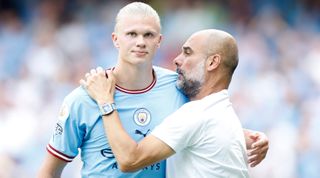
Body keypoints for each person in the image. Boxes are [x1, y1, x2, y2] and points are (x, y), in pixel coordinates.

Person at [38, 2, 268, 177]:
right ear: (115, 39)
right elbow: (50, 171)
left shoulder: (178, 88)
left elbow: (205, 124)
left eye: (148, 35)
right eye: (132, 34)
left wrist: (252, 137)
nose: (140, 42)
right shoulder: (84, 98)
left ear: (159, 41)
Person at [81, 29, 250, 177]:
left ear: (212, 62)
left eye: (188, 53)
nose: (177, 59)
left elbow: (129, 160)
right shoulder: (222, 113)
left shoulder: (197, 113)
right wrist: (250, 137)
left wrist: (105, 100)